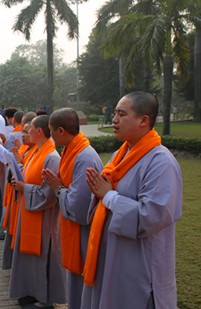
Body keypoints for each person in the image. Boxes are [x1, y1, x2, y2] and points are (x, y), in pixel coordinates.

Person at [82, 91, 182, 309]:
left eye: (121, 114)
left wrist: (108, 196)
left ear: (143, 120)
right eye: (115, 113)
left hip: (140, 266)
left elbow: (151, 216)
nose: (114, 120)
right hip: (113, 257)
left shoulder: (160, 162)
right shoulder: (122, 153)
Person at [41, 108, 104, 309]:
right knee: (76, 284)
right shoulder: (70, 150)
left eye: (50, 131)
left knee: (84, 283)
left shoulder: (84, 157)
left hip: (84, 232)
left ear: (61, 131)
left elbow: (79, 207)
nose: (49, 135)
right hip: (74, 229)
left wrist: (58, 189)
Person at [8, 115, 67, 308]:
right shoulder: (36, 151)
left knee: (43, 258)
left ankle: (44, 298)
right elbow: (28, 175)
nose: (26, 132)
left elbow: (48, 194)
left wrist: (24, 188)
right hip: (29, 212)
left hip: (43, 217)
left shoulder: (51, 157)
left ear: (39, 131)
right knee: (30, 258)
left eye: (29, 129)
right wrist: (18, 169)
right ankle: (30, 291)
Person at [1, 114, 37, 266]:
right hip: (19, 197)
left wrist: (18, 164)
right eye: (22, 131)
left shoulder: (47, 155)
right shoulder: (28, 150)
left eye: (27, 131)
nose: (22, 134)